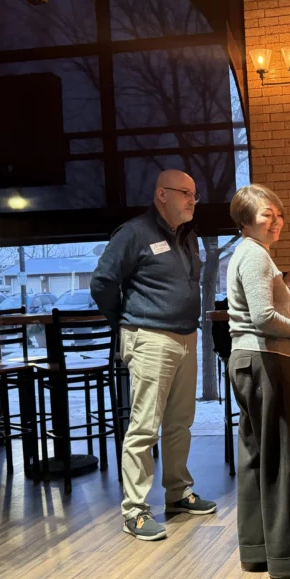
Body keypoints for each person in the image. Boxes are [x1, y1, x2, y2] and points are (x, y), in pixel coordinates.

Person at [90, 169, 216, 542]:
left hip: (184, 336)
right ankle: (135, 510)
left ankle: (177, 494)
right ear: (162, 194)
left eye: (195, 194)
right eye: (186, 193)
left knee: (180, 423)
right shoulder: (134, 233)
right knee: (144, 426)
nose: (193, 200)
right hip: (149, 337)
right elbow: (102, 282)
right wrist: (126, 321)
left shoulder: (186, 237)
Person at [225, 184, 290, 579]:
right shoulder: (253, 255)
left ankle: (257, 551)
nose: (276, 221)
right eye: (267, 214)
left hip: (250, 360)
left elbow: (264, 308)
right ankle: (288, 564)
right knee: (283, 459)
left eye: (279, 214)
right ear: (246, 219)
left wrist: (289, 287)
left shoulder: (252, 255)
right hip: (264, 360)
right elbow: (265, 318)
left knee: (257, 457)